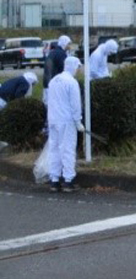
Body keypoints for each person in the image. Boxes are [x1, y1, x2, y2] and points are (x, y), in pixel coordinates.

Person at [47, 56, 84, 193]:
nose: (78, 70)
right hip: (66, 121)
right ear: (74, 66)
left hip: (53, 119)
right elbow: (75, 105)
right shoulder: (71, 82)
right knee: (67, 149)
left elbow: (49, 101)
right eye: (78, 67)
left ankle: (54, 180)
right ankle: (68, 181)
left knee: (54, 149)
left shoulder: (53, 80)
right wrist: (78, 121)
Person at [43, 35, 72, 105]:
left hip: (47, 82)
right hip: (54, 83)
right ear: (64, 43)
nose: (69, 46)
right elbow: (63, 69)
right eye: (68, 44)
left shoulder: (53, 52)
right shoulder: (61, 54)